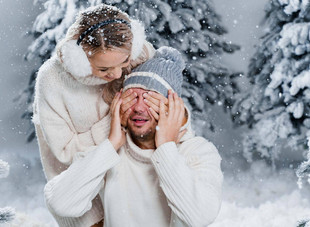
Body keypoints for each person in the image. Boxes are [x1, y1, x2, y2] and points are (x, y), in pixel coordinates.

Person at [44, 46, 224, 227]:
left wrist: (166, 147)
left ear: (172, 108)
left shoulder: (198, 151)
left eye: (149, 98)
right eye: (132, 97)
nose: (139, 107)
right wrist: (111, 144)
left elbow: (201, 216)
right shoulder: (110, 153)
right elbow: (61, 203)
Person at [32, 4, 156, 226]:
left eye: (123, 63)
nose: (117, 74)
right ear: (77, 59)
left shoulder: (140, 55)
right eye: (103, 70)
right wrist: (114, 122)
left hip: (136, 185)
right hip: (84, 194)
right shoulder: (52, 80)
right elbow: (64, 151)